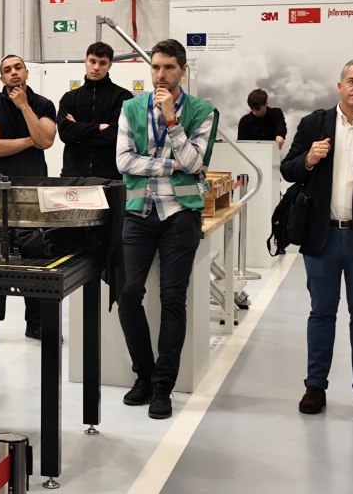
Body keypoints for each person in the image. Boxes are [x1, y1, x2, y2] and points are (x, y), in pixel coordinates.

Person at [115, 39, 218, 420]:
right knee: (128, 294)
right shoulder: (131, 108)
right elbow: (124, 161)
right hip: (139, 211)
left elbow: (195, 162)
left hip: (181, 214)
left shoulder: (203, 112)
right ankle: (143, 375)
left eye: (169, 67)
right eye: (156, 67)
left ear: (182, 71)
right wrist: (171, 165)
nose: (160, 74)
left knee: (173, 299)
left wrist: (173, 120)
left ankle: (163, 385)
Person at [281, 59, 353, 418]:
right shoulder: (314, 124)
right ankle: (315, 386)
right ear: (340, 86)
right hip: (322, 237)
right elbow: (288, 169)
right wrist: (309, 160)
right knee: (321, 313)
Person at [0, 54, 56, 347]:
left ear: (26, 72)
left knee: (35, 256)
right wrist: (32, 140)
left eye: (18, 67)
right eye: (7, 70)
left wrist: (24, 106)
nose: (13, 73)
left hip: (34, 193)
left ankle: (37, 323)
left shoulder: (43, 104)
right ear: (1, 78)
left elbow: (47, 141)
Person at [57, 42, 134, 179]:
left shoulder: (123, 97)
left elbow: (115, 135)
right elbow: (65, 133)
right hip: (73, 176)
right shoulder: (69, 98)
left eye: (102, 63)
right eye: (92, 61)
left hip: (111, 177)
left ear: (110, 65)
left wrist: (78, 137)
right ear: (85, 61)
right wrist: (98, 127)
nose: (96, 67)